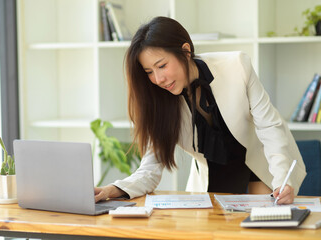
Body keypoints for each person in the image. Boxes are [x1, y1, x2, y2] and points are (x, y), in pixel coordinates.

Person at [94, 16, 306, 205]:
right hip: (211, 175)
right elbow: (149, 170)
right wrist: (114, 189)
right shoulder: (158, 102)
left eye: (162, 66)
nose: (158, 79)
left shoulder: (237, 66)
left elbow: (270, 127)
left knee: (262, 226)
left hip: (259, 164)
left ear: (185, 51)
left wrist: (281, 180)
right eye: (149, 71)